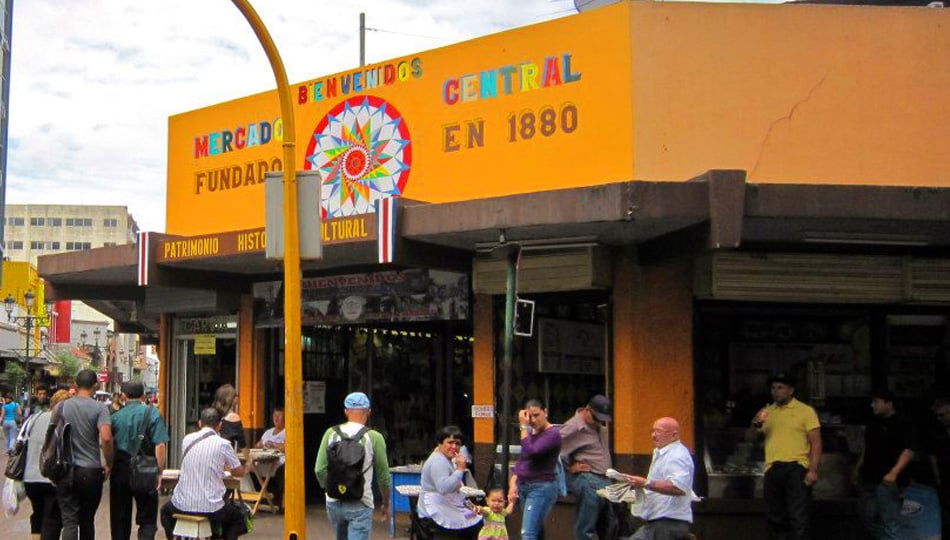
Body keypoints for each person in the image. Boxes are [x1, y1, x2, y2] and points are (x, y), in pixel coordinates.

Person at [159, 407, 251, 540]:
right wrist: (246, 467)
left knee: (165, 512)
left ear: (200, 423)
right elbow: (238, 472)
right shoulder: (223, 444)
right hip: (211, 507)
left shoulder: (187, 439)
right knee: (238, 519)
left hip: (181, 504)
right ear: (220, 425)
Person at [750, 372, 821, 540]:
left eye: (780, 388)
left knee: (798, 516)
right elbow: (750, 438)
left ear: (791, 390)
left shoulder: (805, 411)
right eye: (773, 388)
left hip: (797, 467)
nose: (776, 391)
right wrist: (756, 423)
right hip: (773, 467)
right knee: (775, 516)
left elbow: (816, 442)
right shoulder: (767, 411)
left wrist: (813, 470)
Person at [315, 391, 391, 540]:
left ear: (345, 411)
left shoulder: (330, 433)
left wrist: (332, 487)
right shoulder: (375, 437)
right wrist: (385, 502)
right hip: (361, 502)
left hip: (333, 502)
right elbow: (383, 476)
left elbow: (319, 469)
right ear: (368, 411)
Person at [53, 368, 115, 540]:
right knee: (87, 520)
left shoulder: (61, 406)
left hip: (65, 470)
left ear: (75, 384)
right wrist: (109, 463)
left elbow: (52, 435)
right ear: (96, 385)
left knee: (70, 521)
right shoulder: (100, 408)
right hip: (90, 471)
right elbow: (106, 437)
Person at [110, 381, 170, 540]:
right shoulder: (153, 414)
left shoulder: (115, 417)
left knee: (120, 516)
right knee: (148, 517)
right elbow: (160, 445)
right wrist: (159, 471)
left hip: (120, 469)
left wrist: (108, 466)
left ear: (124, 396)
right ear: (143, 396)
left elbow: (108, 442)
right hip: (146, 469)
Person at [620, 417, 695, 540]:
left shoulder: (677, 456)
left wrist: (645, 483)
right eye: (652, 431)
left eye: (658, 431)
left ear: (674, 435)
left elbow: (678, 487)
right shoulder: (663, 453)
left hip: (668, 522)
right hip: (659, 522)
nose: (653, 436)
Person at [854, 389, 915, 539]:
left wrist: (894, 473)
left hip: (887, 480)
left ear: (888, 403)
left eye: (876, 402)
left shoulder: (903, 422)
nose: (872, 405)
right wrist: (857, 469)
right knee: (867, 517)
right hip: (868, 478)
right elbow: (867, 448)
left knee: (890, 520)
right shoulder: (873, 423)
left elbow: (909, 450)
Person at [559, 394, 613, 540]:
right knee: (586, 527)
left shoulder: (597, 425)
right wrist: (570, 468)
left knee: (610, 525)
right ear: (587, 410)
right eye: (596, 418)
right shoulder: (573, 427)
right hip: (588, 479)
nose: (598, 422)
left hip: (605, 478)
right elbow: (553, 449)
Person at [416, 425, 483, 539]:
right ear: (440, 443)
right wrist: (460, 469)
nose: (454, 447)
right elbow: (443, 487)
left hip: (447, 505)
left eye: (457, 443)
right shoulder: (438, 461)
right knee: (475, 526)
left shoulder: (446, 459)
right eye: (450, 442)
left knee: (475, 517)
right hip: (434, 511)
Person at [508, 399, 562, 540]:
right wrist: (513, 481)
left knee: (528, 533)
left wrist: (523, 427)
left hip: (541, 487)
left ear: (545, 412)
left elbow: (532, 452)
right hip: (525, 485)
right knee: (536, 531)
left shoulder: (553, 434)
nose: (532, 420)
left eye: (536, 415)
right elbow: (523, 459)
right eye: (529, 416)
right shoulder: (531, 434)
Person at [23, 387, 65, 540]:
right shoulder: (62, 422)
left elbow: (22, 443)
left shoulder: (34, 418)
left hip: (30, 478)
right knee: (52, 519)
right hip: (50, 479)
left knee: (38, 514)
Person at [253, 407, 286, 508]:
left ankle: (276, 501)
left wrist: (274, 445)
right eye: (274, 416)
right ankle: (256, 497)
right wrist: (261, 445)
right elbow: (257, 445)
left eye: (279, 416)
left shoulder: (287, 431)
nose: (276, 419)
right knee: (249, 467)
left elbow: (285, 447)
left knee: (281, 471)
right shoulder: (268, 432)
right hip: (264, 461)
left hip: (279, 462)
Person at [213, 384, 250, 452]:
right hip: (224, 457)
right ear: (231, 399)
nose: (238, 397)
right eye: (236, 395)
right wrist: (248, 460)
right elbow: (242, 444)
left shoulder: (211, 414)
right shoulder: (233, 417)